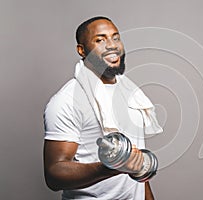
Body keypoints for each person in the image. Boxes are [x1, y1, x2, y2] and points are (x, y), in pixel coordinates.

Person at [43, 16, 162, 200]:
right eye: (100, 40)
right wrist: (110, 167)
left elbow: (136, 163)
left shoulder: (131, 93)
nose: (112, 45)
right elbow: (54, 174)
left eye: (115, 37)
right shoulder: (66, 100)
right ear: (82, 50)